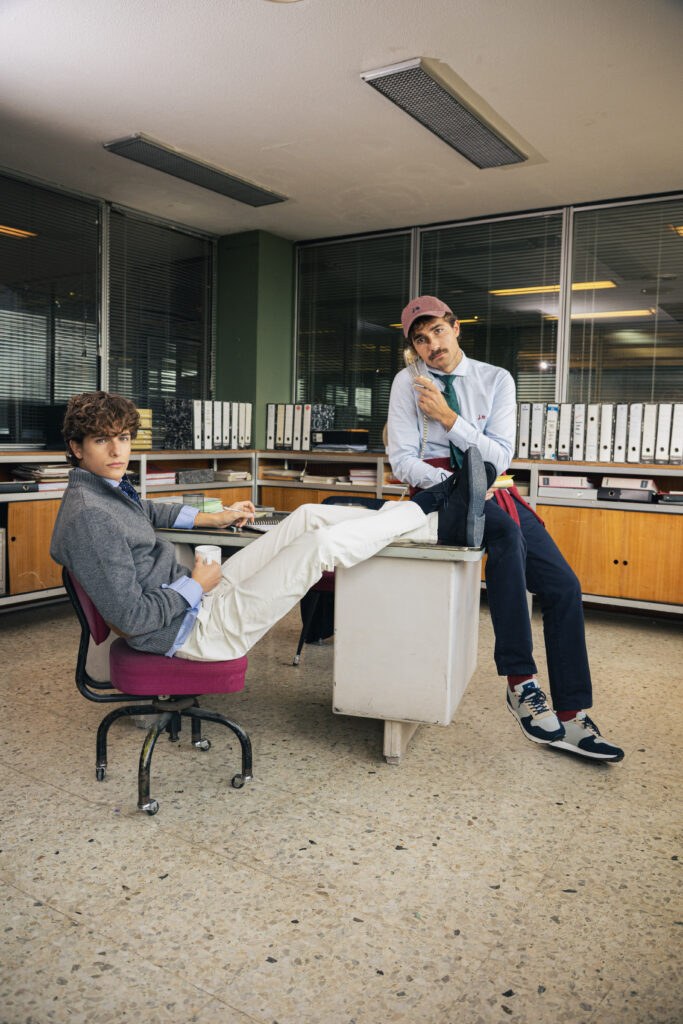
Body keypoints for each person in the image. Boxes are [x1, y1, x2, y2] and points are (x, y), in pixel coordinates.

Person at [51, 391, 481, 664]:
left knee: (307, 516)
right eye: (102, 440)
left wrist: (216, 517)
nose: (117, 450)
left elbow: (148, 511)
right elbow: (130, 619)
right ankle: (429, 507)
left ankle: (432, 522)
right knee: (320, 546)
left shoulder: (105, 490)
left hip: (200, 600)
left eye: (124, 438)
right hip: (196, 631)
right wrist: (195, 586)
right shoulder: (91, 517)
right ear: (77, 447)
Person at [387, 296, 624, 763]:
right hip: (439, 492)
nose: (432, 345)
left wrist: (448, 419)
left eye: (437, 331)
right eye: (420, 339)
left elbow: (498, 456)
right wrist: (458, 486)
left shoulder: (496, 379)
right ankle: (522, 684)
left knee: (563, 585)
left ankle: (572, 713)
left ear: (456, 327)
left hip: (495, 488)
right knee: (506, 537)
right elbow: (402, 461)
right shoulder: (406, 383)